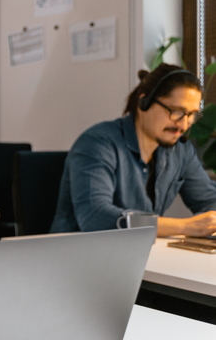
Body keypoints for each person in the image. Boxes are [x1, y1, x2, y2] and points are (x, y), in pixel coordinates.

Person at [50, 63, 216, 236]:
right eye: (176, 111)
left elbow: (209, 200)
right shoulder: (97, 144)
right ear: (143, 103)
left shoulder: (180, 150)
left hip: (138, 253)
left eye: (191, 115)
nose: (183, 124)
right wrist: (184, 227)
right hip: (76, 256)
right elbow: (95, 217)